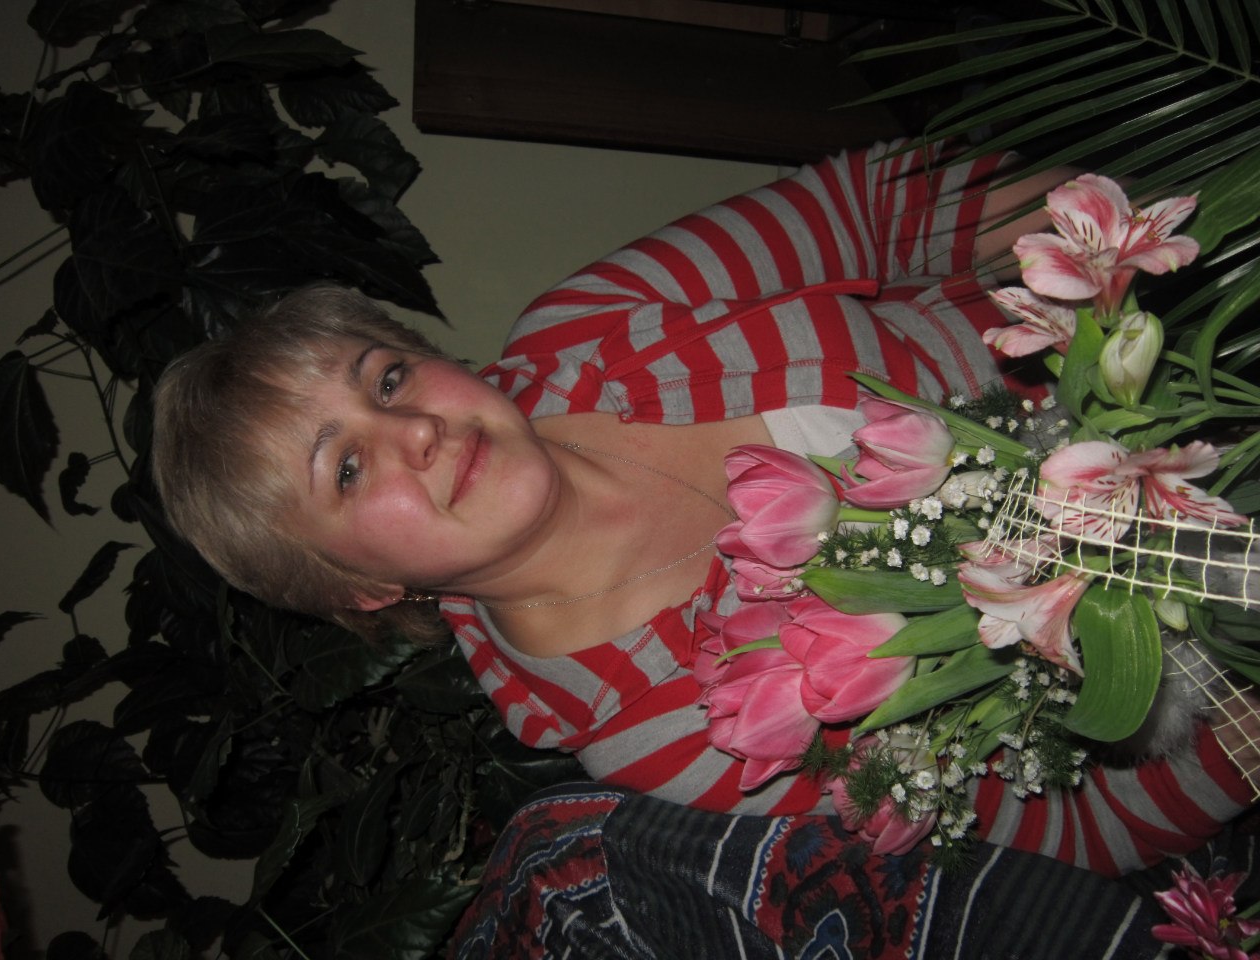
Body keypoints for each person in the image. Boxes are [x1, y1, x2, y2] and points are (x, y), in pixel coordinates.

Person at [152, 141, 1255, 896]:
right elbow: (1061, 833)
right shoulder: (669, 729)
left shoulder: (589, 332)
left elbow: (874, 206)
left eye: (387, 378)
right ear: (361, 589)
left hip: (1197, 323)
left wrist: (1116, 245)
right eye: (347, 469)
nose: (415, 430)